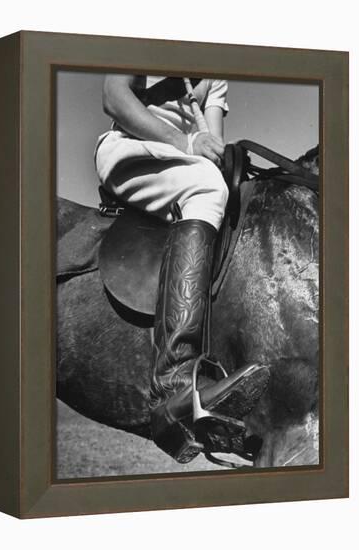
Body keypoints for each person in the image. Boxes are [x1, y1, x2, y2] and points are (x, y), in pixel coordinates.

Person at [94, 75, 260, 463]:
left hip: (183, 163)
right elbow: (113, 97)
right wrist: (187, 143)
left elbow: (211, 141)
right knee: (207, 189)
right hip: (133, 151)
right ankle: (174, 384)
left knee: (227, 194)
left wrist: (215, 154)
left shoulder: (217, 75)